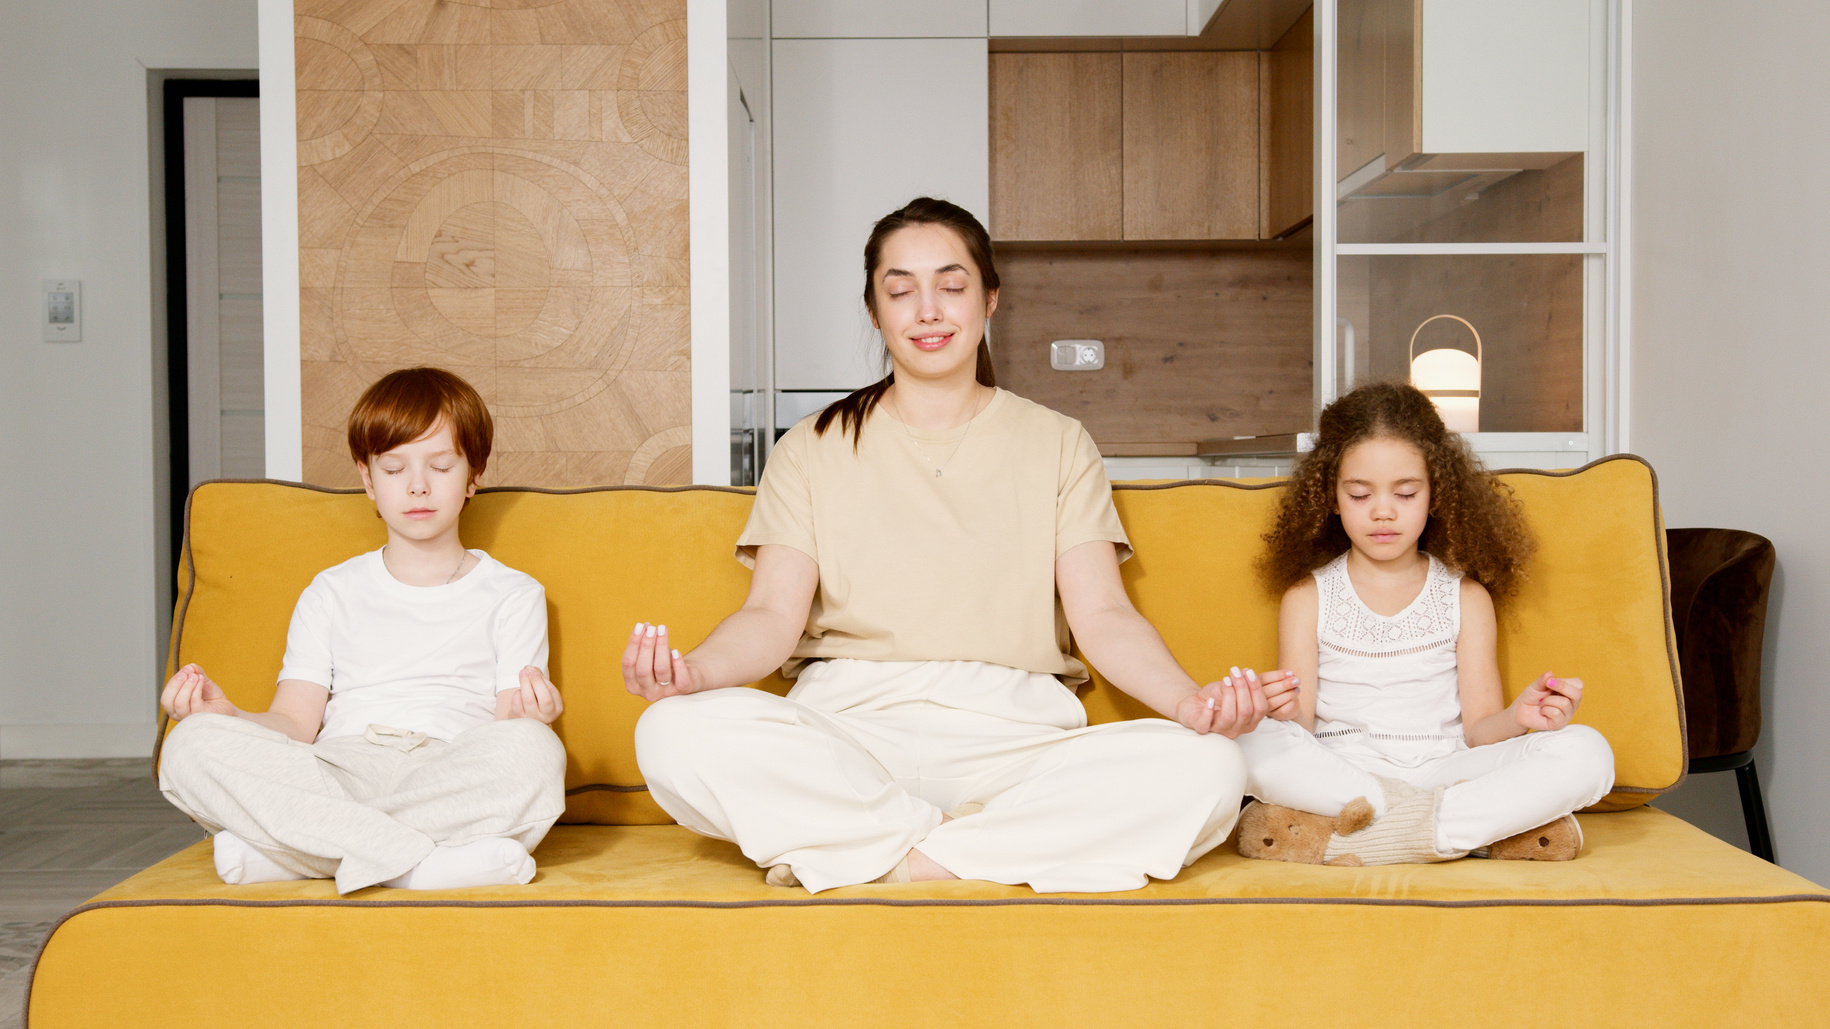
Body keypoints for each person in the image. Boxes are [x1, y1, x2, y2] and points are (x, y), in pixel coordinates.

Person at [627, 197, 1269, 894]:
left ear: (990, 299)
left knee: (1213, 768)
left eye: (952, 286)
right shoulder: (810, 446)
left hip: (1016, 735)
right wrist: (691, 673)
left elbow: (1105, 617)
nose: (928, 310)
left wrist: (1189, 705)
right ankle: (982, 850)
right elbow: (769, 617)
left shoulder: (1059, 442)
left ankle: (892, 857)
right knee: (668, 732)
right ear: (875, 312)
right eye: (900, 291)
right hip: (849, 730)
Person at [157, 367, 567, 894]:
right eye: (394, 469)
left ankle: (303, 853)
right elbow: (294, 723)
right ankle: (418, 866)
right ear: (368, 480)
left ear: (472, 476)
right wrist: (228, 717)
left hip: (451, 766)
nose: (418, 485)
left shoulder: (514, 593)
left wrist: (534, 718)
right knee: (189, 746)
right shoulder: (330, 591)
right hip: (338, 768)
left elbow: (507, 723)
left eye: (440, 466)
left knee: (536, 753)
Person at [1236, 381, 1615, 865]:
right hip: (1346, 775)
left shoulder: (1465, 596)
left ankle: (1373, 835)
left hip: (1446, 771)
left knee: (1588, 752)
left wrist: (1520, 718)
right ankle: (1458, 832)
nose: (1383, 511)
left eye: (1406, 492)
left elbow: (1479, 730)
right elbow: (1301, 728)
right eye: (1359, 494)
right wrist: (1278, 711)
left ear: (1436, 493)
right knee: (1245, 741)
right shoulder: (1307, 597)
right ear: (1330, 497)